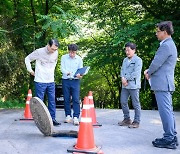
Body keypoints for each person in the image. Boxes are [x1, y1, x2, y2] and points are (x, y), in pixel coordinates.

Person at [144, 21, 178, 149]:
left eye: (158, 31)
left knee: (165, 112)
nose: (156, 34)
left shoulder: (166, 45)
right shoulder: (170, 44)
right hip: (165, 83)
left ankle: (169, 138)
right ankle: (172, 136)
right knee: (168, 111)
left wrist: (148, 72)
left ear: (164, 32)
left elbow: (156, 62)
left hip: (162, 84)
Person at [25, 39, 60, 126]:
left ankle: (52, 119)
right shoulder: (39, 52)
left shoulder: (56, 52)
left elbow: (54, 63)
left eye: (55, 49)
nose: (54, 51)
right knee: (40, 102)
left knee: (52, 101)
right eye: (52, 49)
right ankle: (40, 120)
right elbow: (27, 59)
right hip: (40, 81)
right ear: (48, 45)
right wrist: (30, 70)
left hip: (51, 80)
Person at [118, 42, 142, 128]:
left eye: (129, 50)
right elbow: (122, 70)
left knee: (135, 104)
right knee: (123, 101)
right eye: (126, 50)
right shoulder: (125, 60)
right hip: (125, 85)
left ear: (134, 50)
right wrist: (122, 78)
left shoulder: (138, 60)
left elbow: (136, 73)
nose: (127, 52)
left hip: (134, 85)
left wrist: (126, 79)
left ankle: (136, 121)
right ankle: (127, 119)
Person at [60, 44, 83, 126]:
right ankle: (68, 115)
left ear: (76, 52)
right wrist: (67, 72)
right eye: (70, 52)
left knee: (76, 99)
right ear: (68, 51)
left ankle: (76, 116)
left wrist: (80, 74)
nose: (72, 54)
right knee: (66, 98)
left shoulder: (79, 59)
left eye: (73, 52)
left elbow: (81, 70)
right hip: (66, 79)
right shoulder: (64, 57)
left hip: (75, 81)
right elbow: (62, 68)